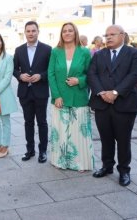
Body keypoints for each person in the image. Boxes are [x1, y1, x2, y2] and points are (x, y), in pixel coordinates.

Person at [88, 25, 137, 187]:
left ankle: (124, 170)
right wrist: (101, 93)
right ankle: (107, 166)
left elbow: (135, 74)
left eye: (112, 34)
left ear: (122, 35)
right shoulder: (99, 55)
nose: (108, 38)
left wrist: (115, 92)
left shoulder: (134, 53)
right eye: (106, 35)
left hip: (124, 104)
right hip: (101, 104)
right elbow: (92, 74)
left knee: (123, 139)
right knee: (105, 138)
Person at [48, 22, 94, 171]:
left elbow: (92, 75)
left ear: (75, 33)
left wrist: (79, 80)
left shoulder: (85, 52)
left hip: (79, 98)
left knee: (78, 133)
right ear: (61, 34)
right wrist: (56, 96)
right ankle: (60, 161)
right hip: (59, 99)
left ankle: (80, 163)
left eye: (70, 30)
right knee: (60, 132)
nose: (67, 33)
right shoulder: (55, 52)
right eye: (64, 31)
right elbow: (51, 74)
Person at [13, 21, 52, 163]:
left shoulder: (47, 49)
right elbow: (14, 68)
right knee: (28, 122)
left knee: (42, 122)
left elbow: (51, 70)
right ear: (25, 33)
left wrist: (41, 75)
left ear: (38, 32)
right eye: (28, 31)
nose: (31, 33)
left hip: (41, 91)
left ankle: (43, 151)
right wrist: (19, 76)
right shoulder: (19, 50)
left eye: (33, 31)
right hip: (25, 92)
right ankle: (30, 150)